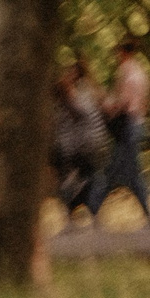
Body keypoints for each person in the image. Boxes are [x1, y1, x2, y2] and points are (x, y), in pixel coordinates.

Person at [53, 61, 114, 222]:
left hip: (82, 144)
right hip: (84, 143)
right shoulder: (88, 92)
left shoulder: (81, 95)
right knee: (84, 177)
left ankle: (85, 209)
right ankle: (82, 210)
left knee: (81, 179)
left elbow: (82, 114)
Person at [105, 41, 150, 220]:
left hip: (127, 125)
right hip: (138, 123)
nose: (117, 57)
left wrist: (109, 109)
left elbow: (123, 102)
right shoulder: (141, 72)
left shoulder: (126, 72)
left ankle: (94, 204)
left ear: (124, 53)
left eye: (118, 53)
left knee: (126, 169)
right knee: (121, 168)